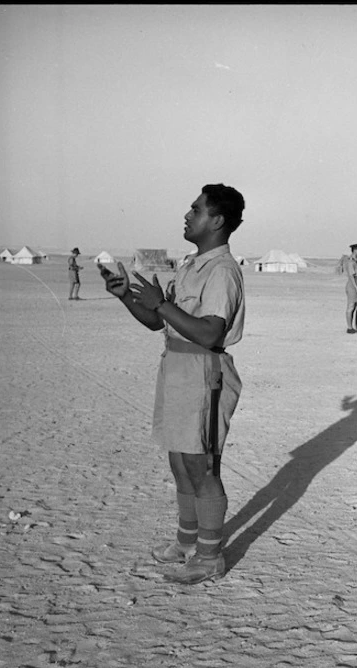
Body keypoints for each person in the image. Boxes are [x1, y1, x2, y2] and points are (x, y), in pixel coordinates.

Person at [98, 183, 246, 584]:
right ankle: (187, 540)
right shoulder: (190, 265)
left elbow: (211, 333)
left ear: (217, 221)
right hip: (177, 368)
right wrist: (127, 297)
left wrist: (161, 303)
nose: (187, 215)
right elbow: (159, 322)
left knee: (202, 466)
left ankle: (211, 555)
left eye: (195, 210)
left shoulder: (222, 271)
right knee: (180, 461)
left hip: (204, 373)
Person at [344, 243, 357, 334]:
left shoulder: (356, 262)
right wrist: (356, 288)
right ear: (355, 250)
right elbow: (351, 276)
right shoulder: (351, 262)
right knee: (351, 306)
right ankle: (349, 327)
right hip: (353, 285)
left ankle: (355, 326)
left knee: (355, 306)